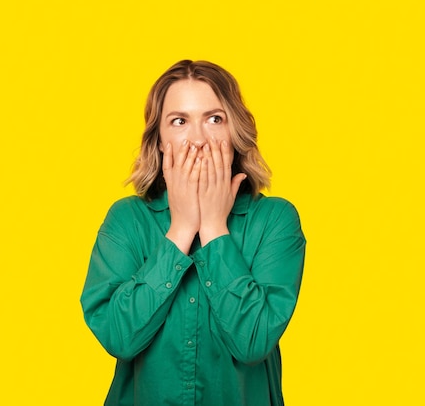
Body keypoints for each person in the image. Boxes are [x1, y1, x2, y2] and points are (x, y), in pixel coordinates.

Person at [80, 60, 306, 406]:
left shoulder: (275, 221)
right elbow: (118, 336)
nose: (198, 139)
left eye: (214, 119)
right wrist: (181, 229)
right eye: (179, 121)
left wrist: (214, 228)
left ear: (236, 132)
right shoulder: (126, 220)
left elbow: (253, 341)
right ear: (159, 140)